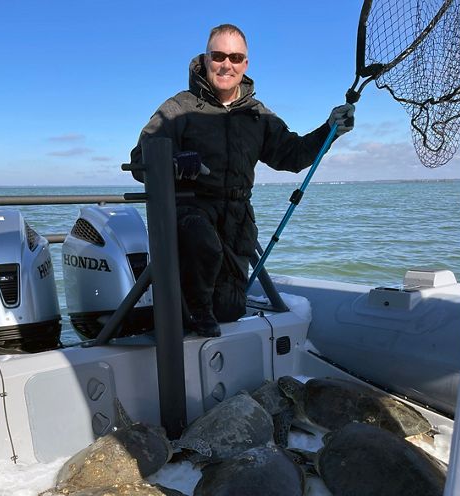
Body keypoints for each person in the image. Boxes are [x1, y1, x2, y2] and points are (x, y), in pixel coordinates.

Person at [131, 23, 354, 337]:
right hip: (189, 213)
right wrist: (177, 163)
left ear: (245, 64)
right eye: (219, 55)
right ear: (206, 59)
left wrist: (330, 131)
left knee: (229, 310)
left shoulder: (257, 115)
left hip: (237, 221)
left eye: (235, 57)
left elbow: (292, 156)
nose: (227, 64)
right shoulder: (177, 109)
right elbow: (141, 160)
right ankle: (186, 324)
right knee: (201, 259)